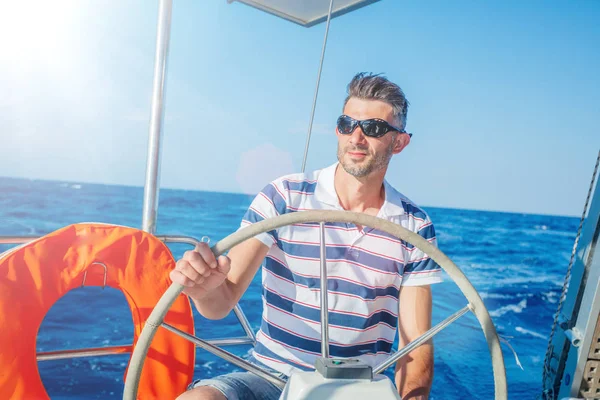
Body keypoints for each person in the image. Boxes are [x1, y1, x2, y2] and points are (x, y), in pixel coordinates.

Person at [171, 72, 443, 400]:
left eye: (373, 128)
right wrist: (204, 289)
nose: (356, 137)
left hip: (361, 388)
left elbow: (416, 346)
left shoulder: (413, 226)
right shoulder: (285, 197)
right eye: (347, 124)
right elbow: (221, 302)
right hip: (271, 377)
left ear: (399, 142)